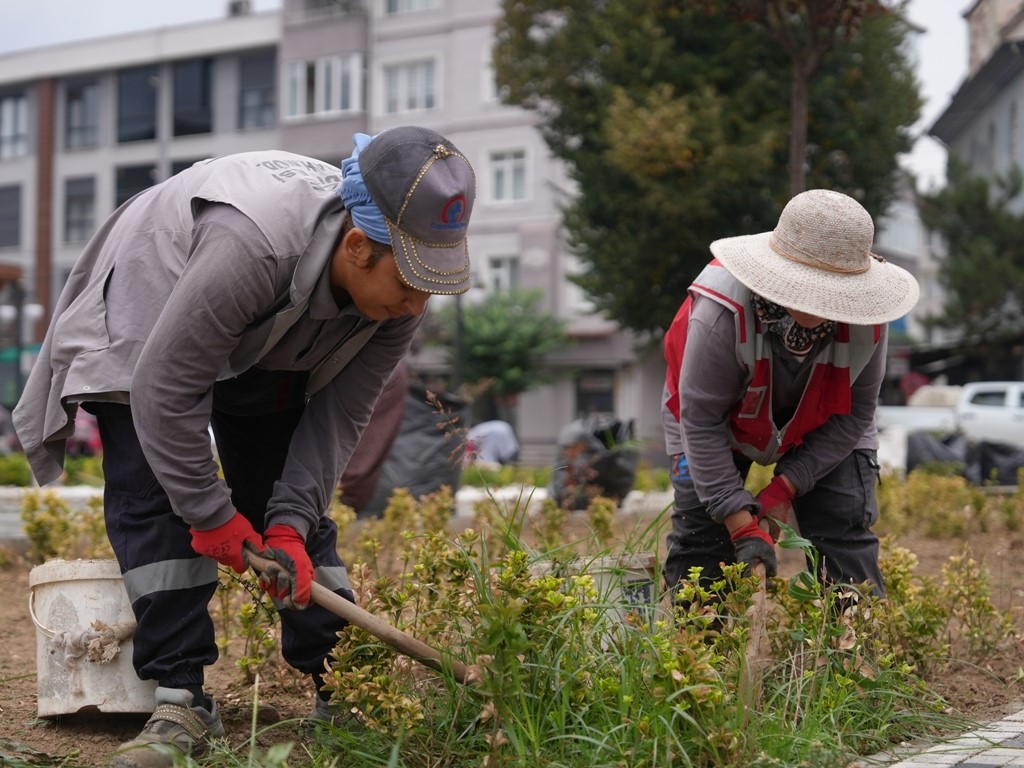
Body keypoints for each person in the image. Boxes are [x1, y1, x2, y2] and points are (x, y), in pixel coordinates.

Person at [12, 125, 475, 768]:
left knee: (293, 505)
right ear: (358, 247)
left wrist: (285, 523)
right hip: (150, 304)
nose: (416, 304)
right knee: (156, 498)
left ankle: (343, 683)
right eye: (410, 284)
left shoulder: (395, 303)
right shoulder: (252, 247)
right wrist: (209, 513)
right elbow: (164, 390)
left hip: (271, 323)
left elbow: (335, 424)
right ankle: (180, 700)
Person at [661, 189, 919, 604]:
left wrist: (784, 488)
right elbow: (702, 420)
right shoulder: (720, 315)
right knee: (702, 538)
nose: (820, 304)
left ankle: (852, 657)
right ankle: (701, 658)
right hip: (713, 422)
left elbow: (853, 418)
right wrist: (740, 522)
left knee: (843, 525)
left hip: (823, 421)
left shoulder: (868, 323)